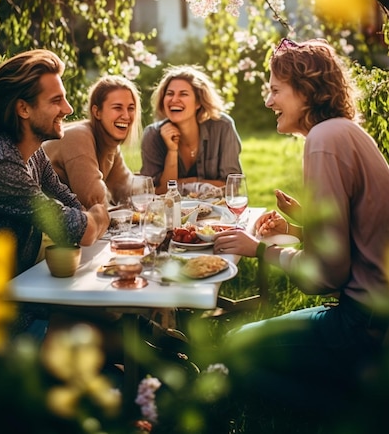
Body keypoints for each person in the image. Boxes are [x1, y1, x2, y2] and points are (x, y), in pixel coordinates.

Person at [212, 38, 389, 413]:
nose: (268, 101)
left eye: (276, 90)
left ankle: (356, 410)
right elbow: (361, 237)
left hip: (363, 324)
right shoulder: (342, 132)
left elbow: (326, 276)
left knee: (234, 349)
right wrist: (299, 230)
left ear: (306, 92)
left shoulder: (324, 141)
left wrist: (259, 249)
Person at [0, 50, 109, 335]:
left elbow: (69, 203)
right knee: (104, 339)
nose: (69, 108)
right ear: (23, 108)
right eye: (56, 100)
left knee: (113, 318)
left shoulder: (32, 154)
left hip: (24, 299)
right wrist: (97, 215)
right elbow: (79, 227)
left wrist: (88, 219)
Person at [140, 65, 242, 194]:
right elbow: (157, 192)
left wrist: (186, 182)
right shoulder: (152, 134)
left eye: (183, 94)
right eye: (170, 94)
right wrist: (172, 151)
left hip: (218, 210)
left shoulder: (223, 126)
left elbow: (232, 186)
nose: (174, 99)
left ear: (198, 102)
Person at [44, 75, 141, 208]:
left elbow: (127, 188)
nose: (126, 115)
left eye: (131, 108)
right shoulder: (78, 137)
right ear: (97, 112)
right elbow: (94, 201)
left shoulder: (110, 144)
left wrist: (158, 195)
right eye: (117, 108)